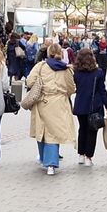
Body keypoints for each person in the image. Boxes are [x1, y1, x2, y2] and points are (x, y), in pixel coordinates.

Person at [26, 43, 76, 175]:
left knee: (42, 131)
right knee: (53, 133)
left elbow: (29, 81)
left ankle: (44, 159)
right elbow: (71, 88)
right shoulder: (66, 69)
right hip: (59, 103)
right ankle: (51, 164)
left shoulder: (41, 66)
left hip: (42, 101)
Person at [73, 48, 107, 167]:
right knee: (92, 131)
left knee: (82, 129)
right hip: (94, 106)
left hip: (80, 105)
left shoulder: (76, 73)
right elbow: (102, 90)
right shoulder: (98, 72)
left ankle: (81, 154)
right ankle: (89, 157)